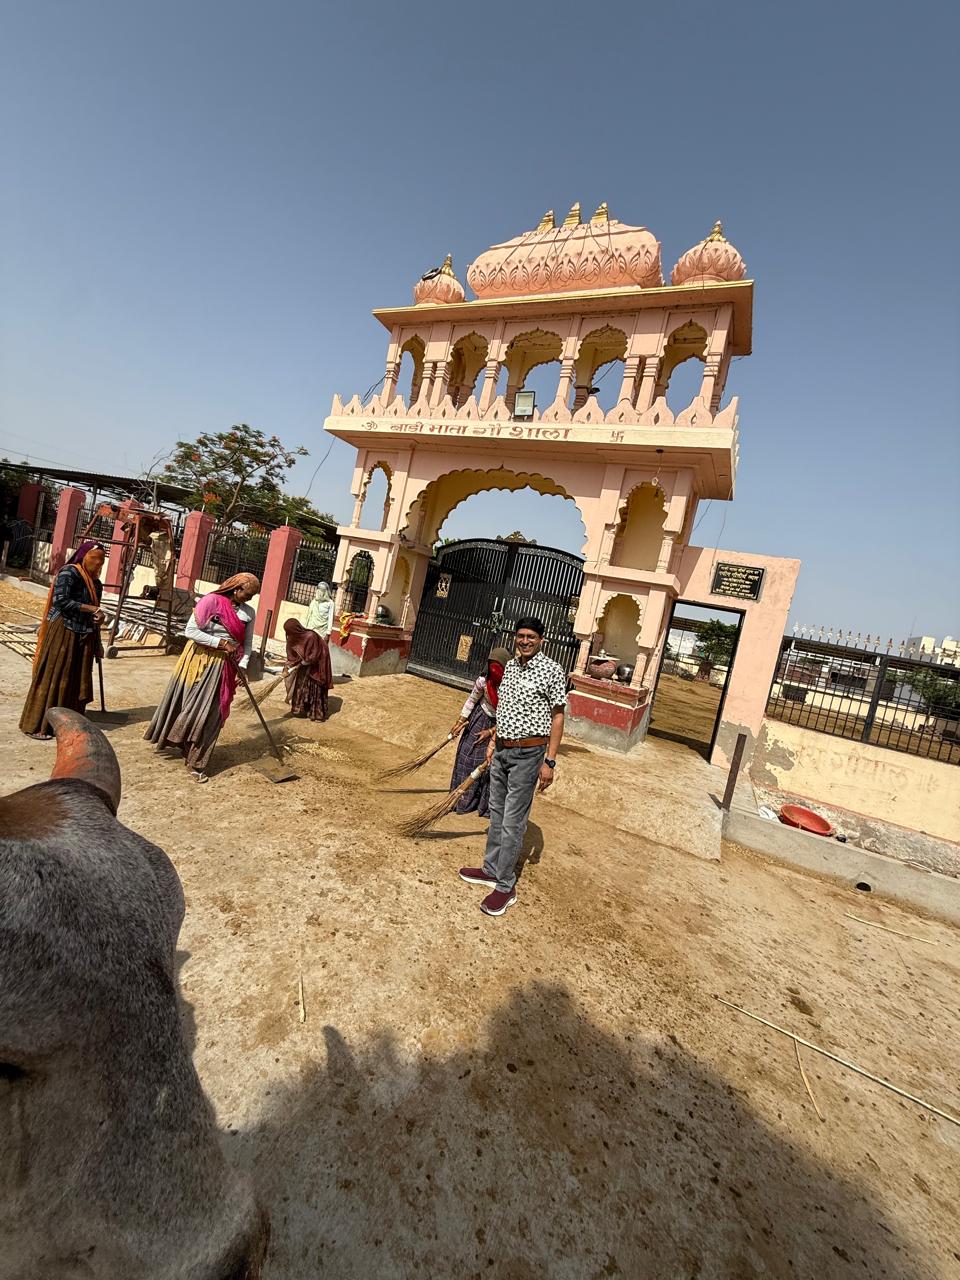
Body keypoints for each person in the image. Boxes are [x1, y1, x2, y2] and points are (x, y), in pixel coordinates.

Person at [459, 617, 567, 916]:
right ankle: (492, 869)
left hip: (529, 754)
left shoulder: (552, 671)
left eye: (531, 636)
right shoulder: (510, 670)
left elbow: (558, 716)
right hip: (503, 751)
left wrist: (550, 761)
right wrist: (494, 743)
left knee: (513, 822)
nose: (525, 641)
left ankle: (506, 886)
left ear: (541, 639)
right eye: (520, 636)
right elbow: (505, 711)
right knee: (496, 813)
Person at [144, 572, 259, 782]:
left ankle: (197, 761)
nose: (249, 599)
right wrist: (220, 643)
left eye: (253, 596)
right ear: (236, 588)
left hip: (225, 667)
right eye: (248, 594)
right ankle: (183, 743)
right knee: (190, 707)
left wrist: (242, 666)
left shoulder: (248, 613)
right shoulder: (210, 601)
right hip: (197, 661)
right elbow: (190, 631)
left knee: (212, 713)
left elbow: (247, 644)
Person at [19, 540, 106, 739]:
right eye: (94, 559)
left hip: (85, 635)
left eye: (101, 561)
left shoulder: (96, 584)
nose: (97, 565)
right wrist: (90, 608)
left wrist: (98, 640)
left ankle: (69, 724)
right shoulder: (69, 573)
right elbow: (61, 600)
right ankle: (39, 725)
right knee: (55, 675)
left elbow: (96, 611)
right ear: (84, 556)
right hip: (63, 631)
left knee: (75, 680)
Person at [448, 646, 512, 816]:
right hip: (479, 717)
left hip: (503, 726)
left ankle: (484, 804)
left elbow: (511, 717)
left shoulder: (512, 689)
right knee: (466, 755)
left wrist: (491, 732)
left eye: (499, 667)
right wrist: (459, 721)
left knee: (491, 765)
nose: (495, 671)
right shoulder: (483, 681)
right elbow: (471, 700)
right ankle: (462, 799)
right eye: (492, 666)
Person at [283, 616, 333, 721]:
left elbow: (314, 655)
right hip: (305, 662)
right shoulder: (292, 638)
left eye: (290, 632)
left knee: (315, 684)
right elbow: (291, 655)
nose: (289, 635)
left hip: (318, 662)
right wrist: (288, 666)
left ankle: (316, 713)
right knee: (301, 683)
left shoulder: (311, 636)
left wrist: (303, 662)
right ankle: (300, 710)